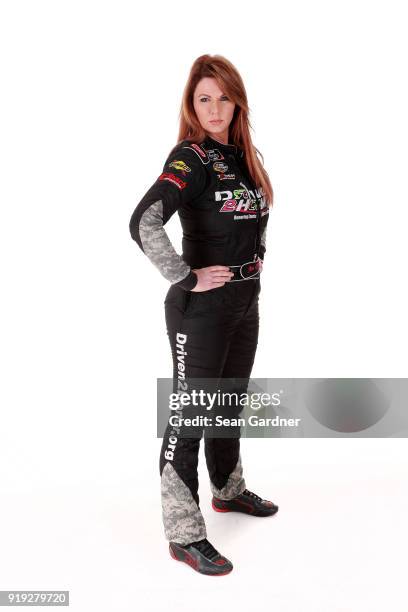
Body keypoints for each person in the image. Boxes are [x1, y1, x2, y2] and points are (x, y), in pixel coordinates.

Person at [129, 54, 279, 576]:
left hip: (244, 300)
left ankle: (228, 489)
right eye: (203, 99)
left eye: (222, 97)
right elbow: (144, 220)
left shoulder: (242, 155)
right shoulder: (189, 157)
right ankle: (183, 532)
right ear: (192, 106)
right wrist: (185, 275)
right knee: (191, 414)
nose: (214, 108)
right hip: (201, 309)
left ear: (237, 100)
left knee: (228, 402)